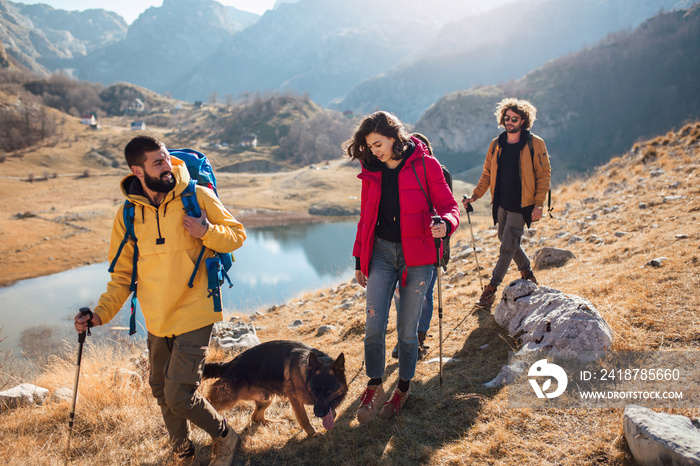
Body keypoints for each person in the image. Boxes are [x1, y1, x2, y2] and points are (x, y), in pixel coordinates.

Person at [74, 136, 246, 466]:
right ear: (137, 170)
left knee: (179, 394)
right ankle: (183, 452)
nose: (167, 166)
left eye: (166, 158)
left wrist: (206, 230)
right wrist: (98, 315)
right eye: (157, 162)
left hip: (196, 308)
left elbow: (237, 235)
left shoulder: (196, 196)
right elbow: (122, 277)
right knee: (160, 390)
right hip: (157, 316)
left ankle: (226, 436)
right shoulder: (127, 215)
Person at [345, 111, 459, 423]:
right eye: (369, 146)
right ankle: (374, 385)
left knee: (407, 332)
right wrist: (359, 260)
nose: (374, 151)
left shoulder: (426, 165)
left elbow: (449, 206)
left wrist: (446, 224)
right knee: (373, 325)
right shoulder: (372, 170)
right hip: (380, 253)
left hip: (418, 257)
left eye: (378, 144)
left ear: (395, 137)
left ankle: (402, 389)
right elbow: (365, 219)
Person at [463, 98, 551, 309]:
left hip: (522, 205)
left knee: (506, 248)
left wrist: (539, 204)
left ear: (523, 121)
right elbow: (487, 174)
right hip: (501, 203)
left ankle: (490, 291)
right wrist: (474, 196)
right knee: (506, 239)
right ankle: (527, 272)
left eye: (514, 119)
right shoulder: (496, 144)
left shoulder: (534, 143)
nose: (509, 121)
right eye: (507, 118)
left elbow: (544, 173)